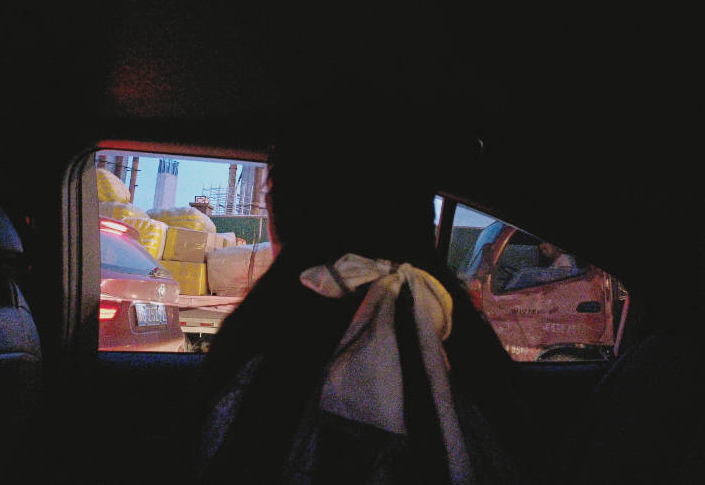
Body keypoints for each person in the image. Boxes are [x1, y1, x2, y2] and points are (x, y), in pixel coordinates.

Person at [189, 88, 528, 485]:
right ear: (422, 218)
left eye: (270, 189)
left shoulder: (258, 358)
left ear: (284, 211)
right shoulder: (476, 358)